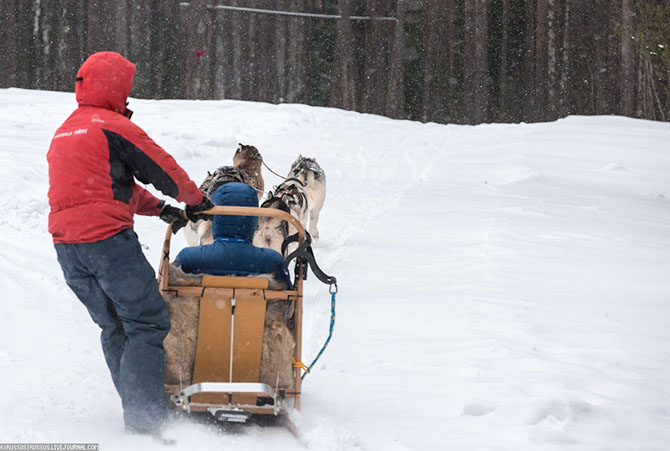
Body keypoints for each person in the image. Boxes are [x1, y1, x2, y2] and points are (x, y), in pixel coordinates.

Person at [47, 51, 213, 436]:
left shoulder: (66, 131)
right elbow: (160, 166)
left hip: (68, 248)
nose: (129, 98)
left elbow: (104, 189)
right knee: (147, 321)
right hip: (107, 244)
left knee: (114, 326)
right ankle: (146, 418)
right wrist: (195, 200)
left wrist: (160, 210)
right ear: (115, 87)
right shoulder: (111, 125)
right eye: (126, 89)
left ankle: (138, 407)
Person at [175, 182, 292, 289]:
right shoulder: (273, 262)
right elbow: (288, 302)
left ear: (215, 216)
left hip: (204, 311)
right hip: (254, 312)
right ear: (253, 219)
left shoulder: (188, 259)